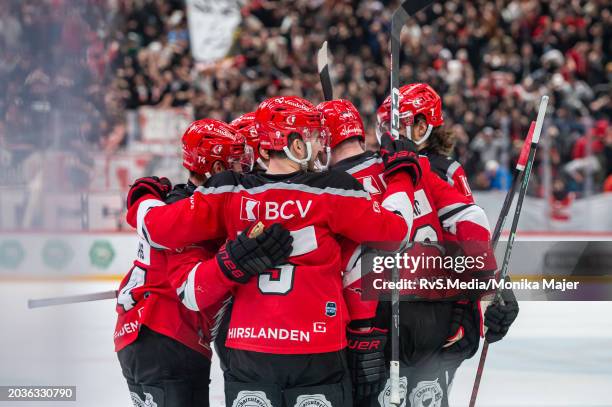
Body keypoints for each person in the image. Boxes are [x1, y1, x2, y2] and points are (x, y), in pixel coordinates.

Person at [125, 95, 422, 406]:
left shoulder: (230, 189)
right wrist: (402, 177)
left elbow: (156, 229)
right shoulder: (334, 189)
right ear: (295, 144)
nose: (322, 147)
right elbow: (396, 231)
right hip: (316, 348)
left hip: (248, 348)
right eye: (314, 138)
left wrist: (143, 197)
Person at [318, 98, 497, 407]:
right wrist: (478, 287)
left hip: (378, 323)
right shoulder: (414, 165)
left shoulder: (333, 187)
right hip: (434, 319)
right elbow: (472, 220)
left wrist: (360, 331)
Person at [116, 118, 289, 407]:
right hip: (160, 332)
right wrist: (236, 260)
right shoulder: (187, 209)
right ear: (217, 169)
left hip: (170, 334)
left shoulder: (193, 202)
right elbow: (193, 287)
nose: (245, 170)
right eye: (237, 162)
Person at [376, 83, 474, 203]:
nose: (390, 134)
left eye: (398, 127)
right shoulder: (384, 166)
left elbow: (466, 218)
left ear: (421, 128)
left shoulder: (448, 170)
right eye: (387, 127)